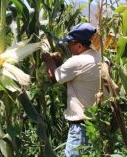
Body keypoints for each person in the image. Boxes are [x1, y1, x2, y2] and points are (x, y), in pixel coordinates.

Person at [42, 23, 104, 157]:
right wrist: (59, 63)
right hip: (97, 124)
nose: (68, 47)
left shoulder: (77, 61)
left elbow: (53, 78)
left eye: (69, 44)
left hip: (80, 128)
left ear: (80, 45)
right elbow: (74, 80)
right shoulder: (100, 57)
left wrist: (48, 60)